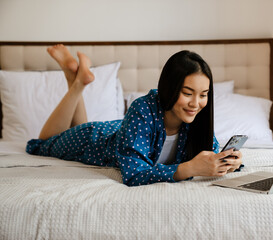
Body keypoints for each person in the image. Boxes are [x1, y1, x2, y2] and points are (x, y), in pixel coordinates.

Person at [26, 44, 243, 186]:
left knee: (76, 125)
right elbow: (134, 175)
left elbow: (210, 155)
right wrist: (189, 168)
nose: (196, 103)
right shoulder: (142, 109)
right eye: (187, 93)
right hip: (92, 139)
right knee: (42, 143)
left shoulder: (196, 118)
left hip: (121, 130)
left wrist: (229, 161)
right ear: (169, 88)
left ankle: (76, 77)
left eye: (204, 95)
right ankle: (76, 82)